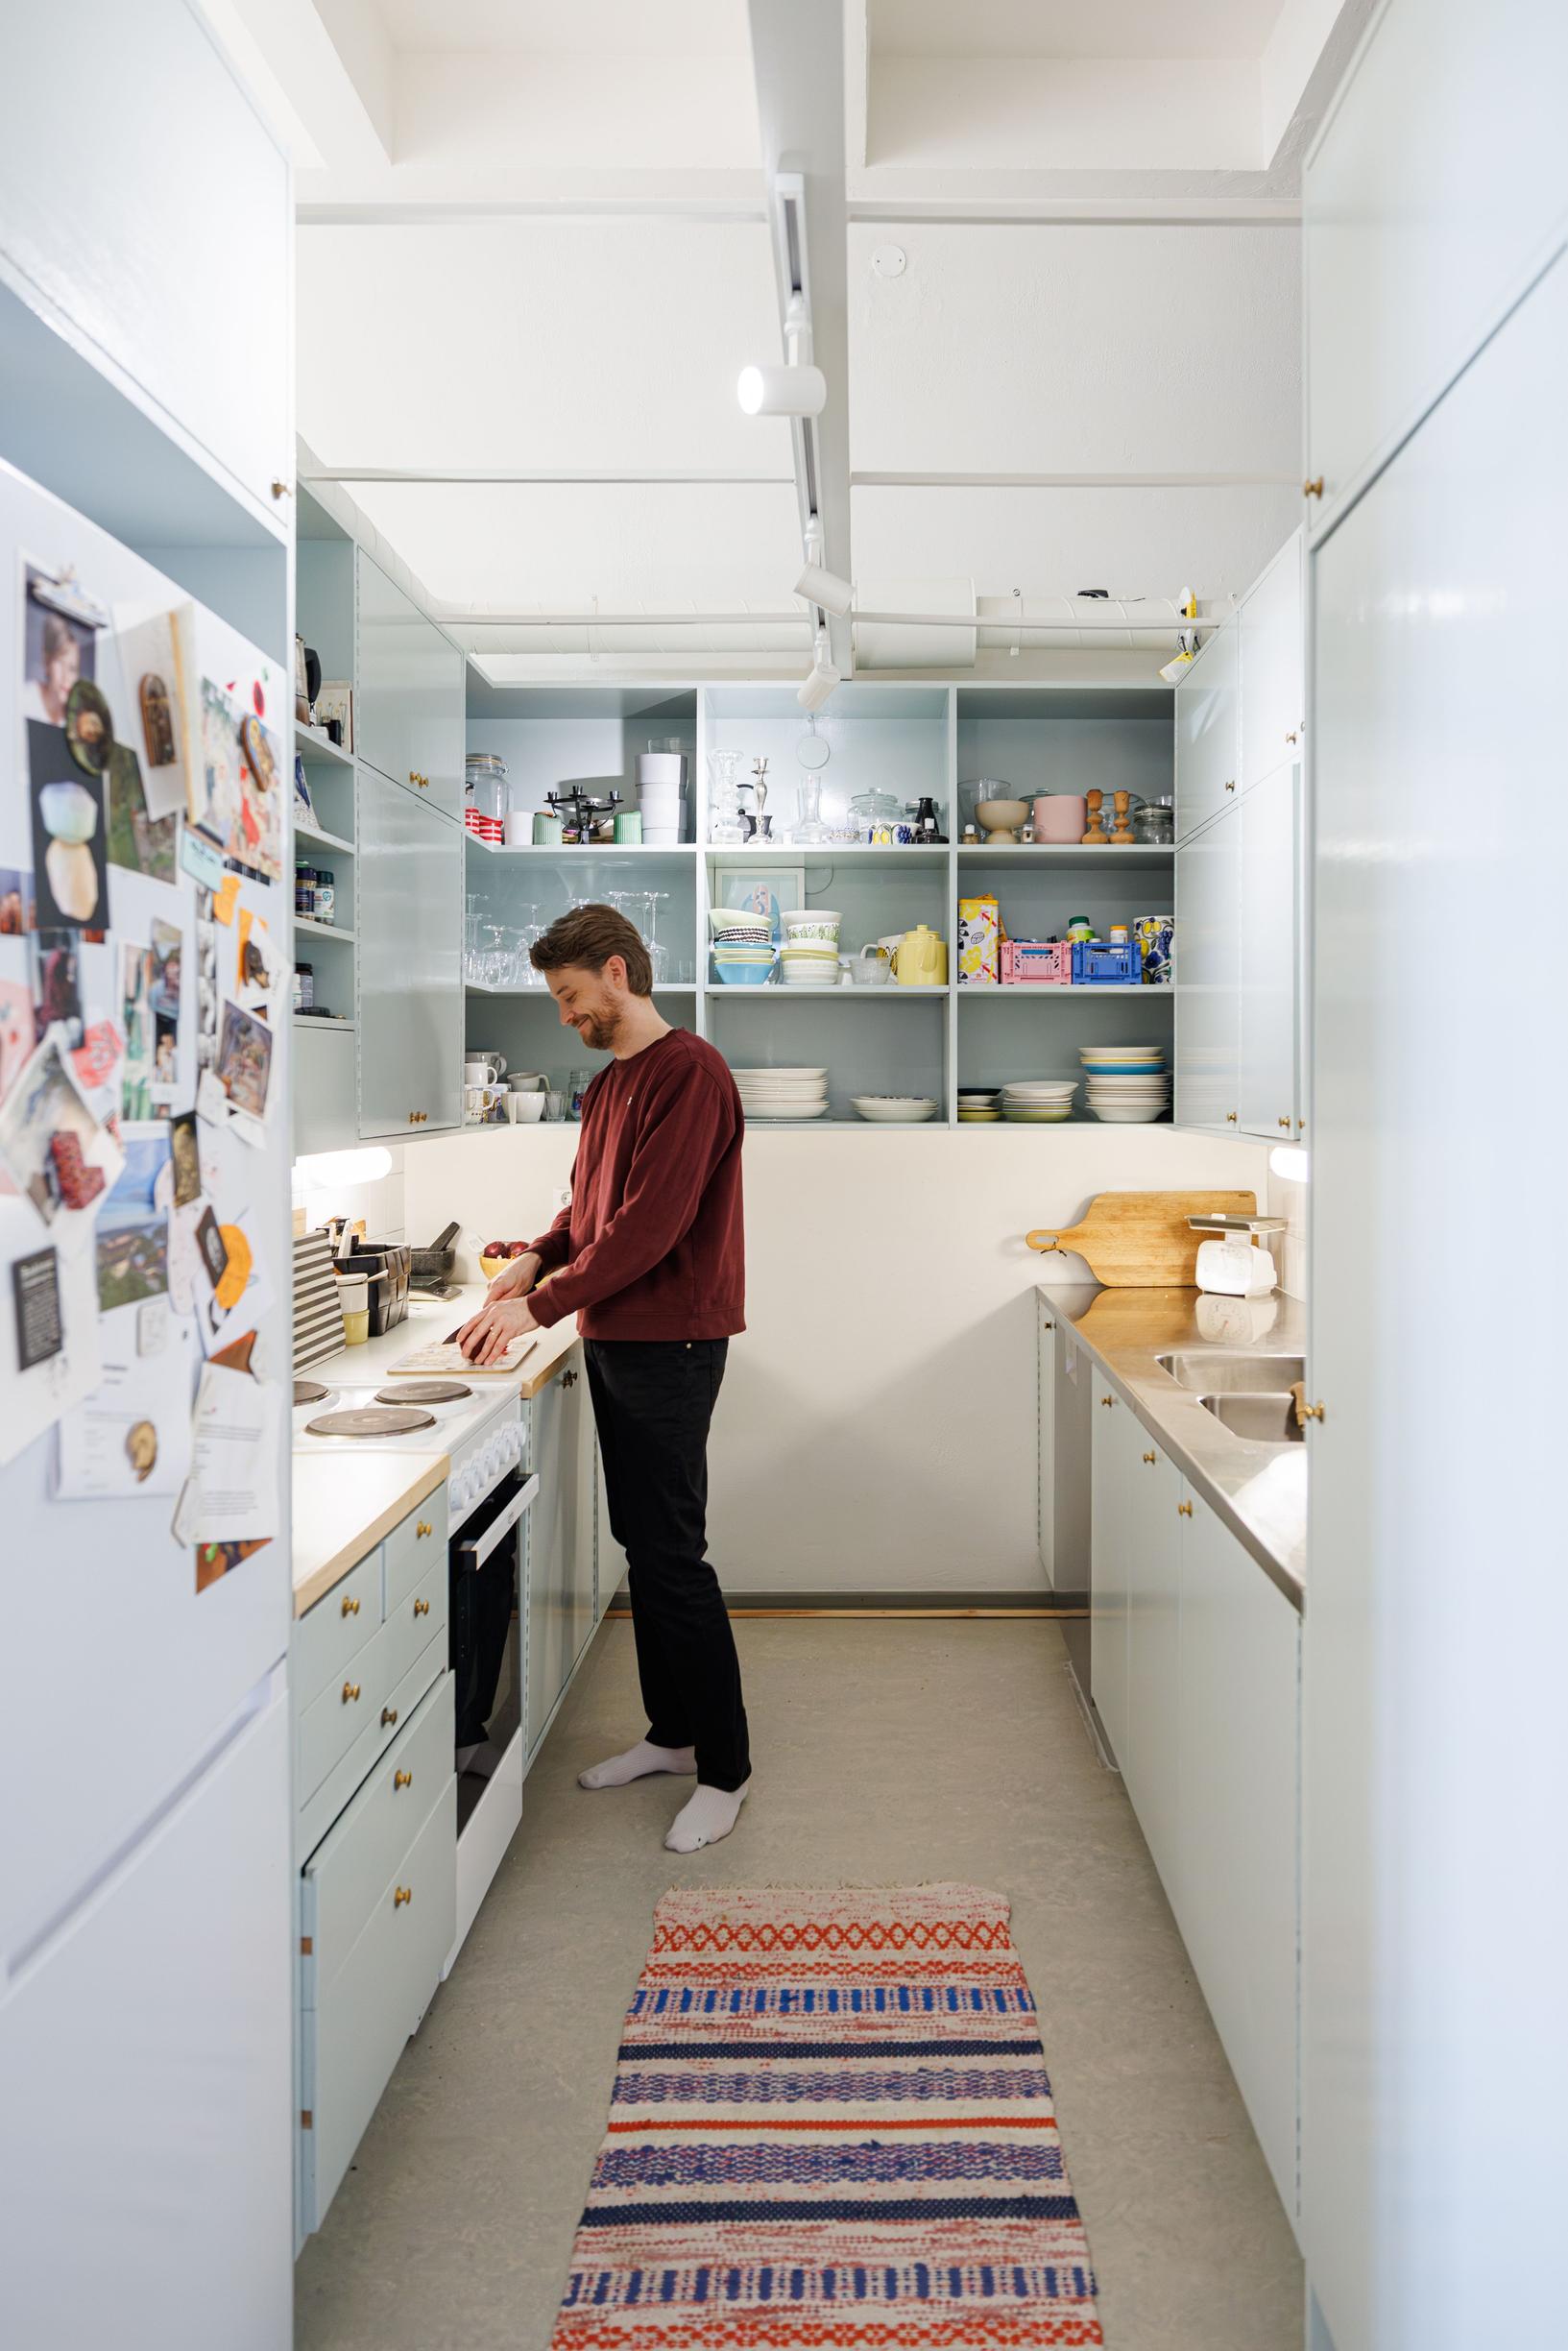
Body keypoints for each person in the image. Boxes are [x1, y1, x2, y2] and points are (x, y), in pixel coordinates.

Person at [456, 903, 750, 1853]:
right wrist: (532, 1263)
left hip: (675, 1343)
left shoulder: (690, 1073)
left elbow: (650, 1228)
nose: (563, 1015)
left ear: (616, 974)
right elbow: (589, 1211)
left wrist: (532, 1310)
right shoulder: (611, 1083)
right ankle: (671, 1738)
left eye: (569, 995)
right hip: (621, 1336)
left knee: (673, 1555)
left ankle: (725, 1770)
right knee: (644, 1545)